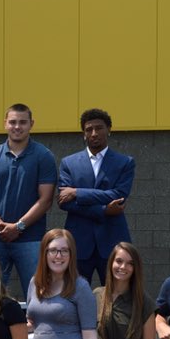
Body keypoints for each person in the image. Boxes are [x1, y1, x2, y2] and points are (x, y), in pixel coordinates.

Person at [57, 108, 135, 285]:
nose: (94, 133)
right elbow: (64, 202)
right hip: (78, 241)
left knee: (117, 296)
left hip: (112, 240)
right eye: (88, 129)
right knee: (73, 294)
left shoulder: (125, 162)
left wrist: (77, 192)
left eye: (99, 128)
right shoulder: (68, 163)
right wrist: (104, 210)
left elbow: (119, 195)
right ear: (84, 134)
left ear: (109, 129)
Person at [0, 104, 57, 298]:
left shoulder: (43, 156)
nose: (17, 126)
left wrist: (18, 227)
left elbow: (45, 200)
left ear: (31, 124)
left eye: (22, 122)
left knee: (38, 294)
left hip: (31, 239)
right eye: (12, 122)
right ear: (5, 124)